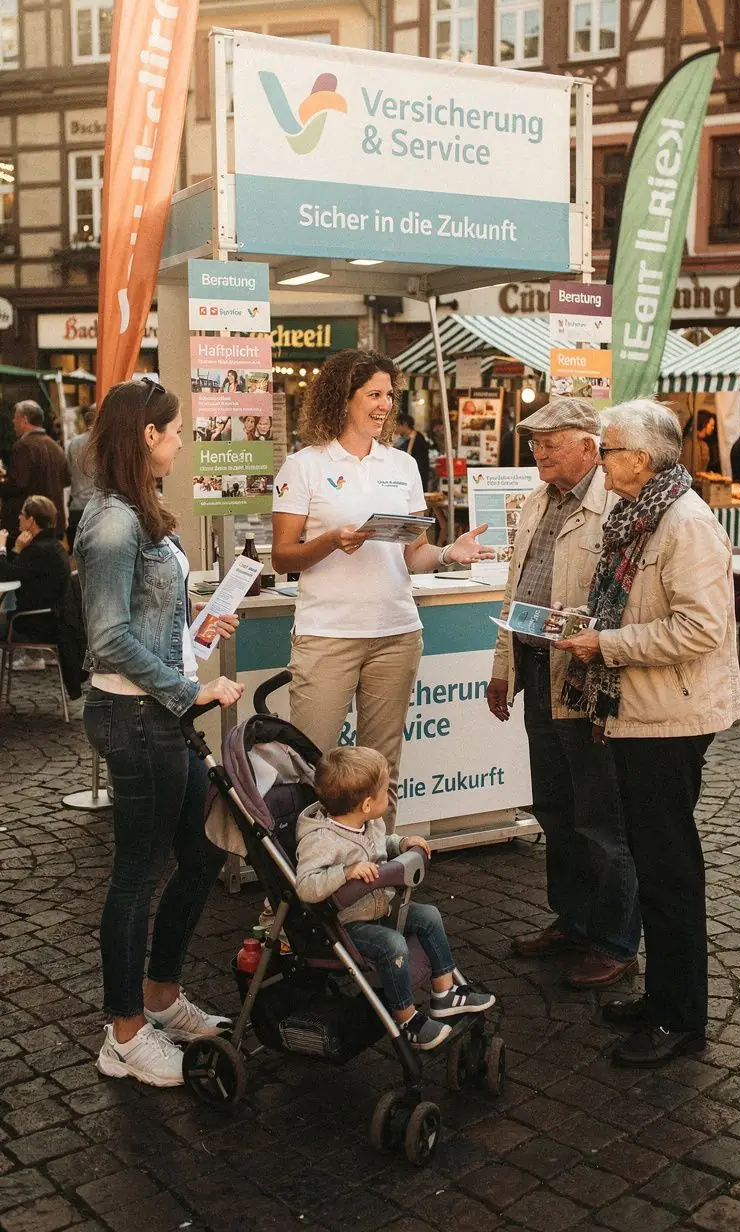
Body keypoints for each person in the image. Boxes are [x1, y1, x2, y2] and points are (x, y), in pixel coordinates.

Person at [558, 399, 740, 1069]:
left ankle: (680, 1016)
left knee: (668, 868)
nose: (599, 459)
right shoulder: (641, 513)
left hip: (672, 714)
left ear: (639, 458)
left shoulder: (685, 523)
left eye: (605, 449)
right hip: (640, 709)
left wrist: (607, 644)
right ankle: (664, 997)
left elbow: (701, 629)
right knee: (652, 858)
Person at [75, 379, 245, 1089]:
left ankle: (162, 996)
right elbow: (108, 637)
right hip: (137, 717)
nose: (181, 442)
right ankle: (122, 1033)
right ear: (146, 435)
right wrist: (189, 689)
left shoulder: (142, 514)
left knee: (199, 858)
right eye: (175, 431)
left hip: (159, 713)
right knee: (137, 878)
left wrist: (197, 625)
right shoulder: (112, 522)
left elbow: (145, 619)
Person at [272, 349, 491, 832]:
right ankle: (297, 894)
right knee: (310, 766)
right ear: (342, 399)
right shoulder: (304, 465)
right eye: (373, 394)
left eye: (389, 396)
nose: (384, 405)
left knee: (380, 769)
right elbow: (283, 556)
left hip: (396, 632)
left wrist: (451, 553)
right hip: (327, 634)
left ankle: (376, 885)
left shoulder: (403, 466)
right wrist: (330, 542)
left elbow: (415, 555)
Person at [487, 399, 640, 990]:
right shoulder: (534, 502)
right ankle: (572, 921)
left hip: (584, 681)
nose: (540, 452)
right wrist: (503, 668)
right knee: (553, 808)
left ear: (588, 445)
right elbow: (514, 591)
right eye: (534, 443)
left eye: (552, 441)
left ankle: (615, 939)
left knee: (601, 816)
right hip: (537, 672)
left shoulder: (616, 506)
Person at [295, 744, 495, 1049]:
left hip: (380, 907)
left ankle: (444, 994)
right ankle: (406, 1018)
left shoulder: (368, 822)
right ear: (365, 804)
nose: (390, 794)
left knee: (428, 916)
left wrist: (401, 843)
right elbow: (306, 886)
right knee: (393, 945)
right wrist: (345, 873)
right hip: (347, 923)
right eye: (385, 789)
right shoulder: (321, 841)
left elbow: (381, 843)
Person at [0, 495, 70, 642]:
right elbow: (15, 571)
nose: (19, 517)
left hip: (33, 623)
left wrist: (2, 548)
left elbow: (6, 575)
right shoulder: (54, 546)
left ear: (31, 520)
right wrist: (18, 549)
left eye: (22, 514)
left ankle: (30, 657)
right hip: (48, 619)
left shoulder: (39, 550)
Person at [1, 401, 70, 537]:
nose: (13, 421)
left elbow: (19, 483)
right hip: (54, 524)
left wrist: (3, 483)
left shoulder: (23, 446)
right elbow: (66, 480)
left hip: (30, 527)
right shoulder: (56, 448)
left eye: (16, 417)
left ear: (24, 420)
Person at [66, 405, 96, 551]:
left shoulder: (74, 444)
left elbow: (69, 472)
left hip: (77, 507)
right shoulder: (106, 442)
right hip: (98, 509)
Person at [395, 412, 431, 491]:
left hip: (417, 477)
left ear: (404, 425)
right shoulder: (404, 438)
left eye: (397, 425)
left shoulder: (418, 439)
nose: (395, 428)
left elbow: (421, 463)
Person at [680, 410, 715, 476]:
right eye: (711, 425)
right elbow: (688, 469)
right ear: (704, 424)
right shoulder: (689, 443)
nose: (712, 428)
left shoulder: (703, 444)